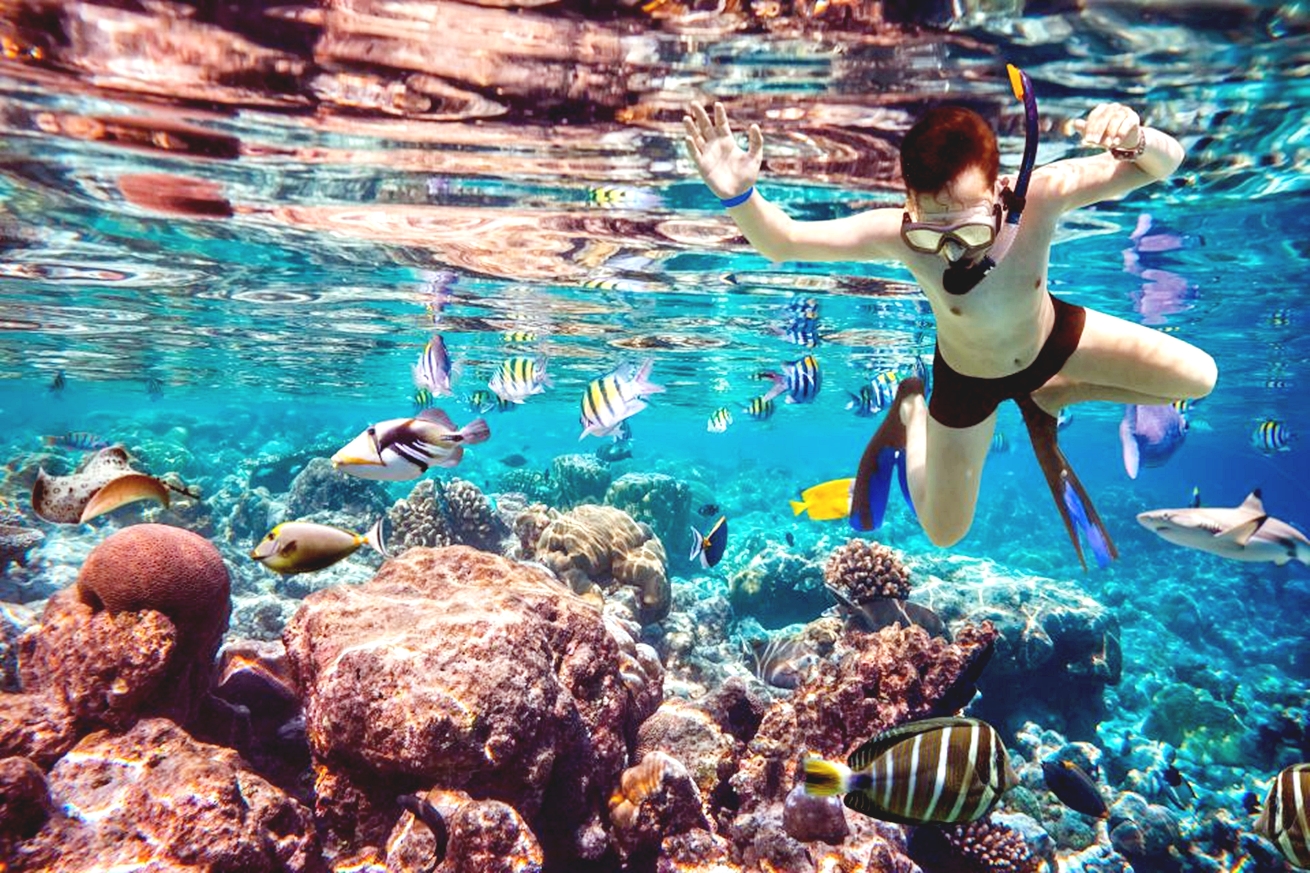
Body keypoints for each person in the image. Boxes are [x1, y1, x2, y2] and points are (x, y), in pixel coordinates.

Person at [683, 71, 1217, 568]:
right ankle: (911, 408)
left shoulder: (1041, 196)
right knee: (944, 532)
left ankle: (1056, 390)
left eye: (970, 231)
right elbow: (783, 241)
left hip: (1052, 341)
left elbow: (1162, 165)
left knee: (1198, 378)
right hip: (967, 379)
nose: (952, 252)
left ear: (1000, 192)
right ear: (909, 205)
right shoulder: (896, 233)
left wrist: (1135, 139)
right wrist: (739, 195)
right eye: (930, 234)